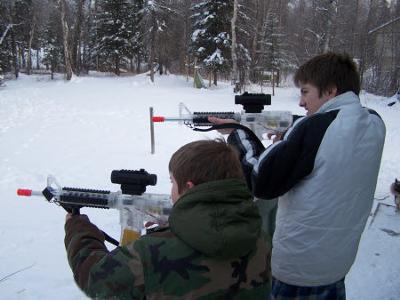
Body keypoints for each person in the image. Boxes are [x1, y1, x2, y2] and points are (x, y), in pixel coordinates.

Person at [210, 52, 386, 299]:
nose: (302, 103)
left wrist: (239, 131)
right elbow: (328, 148)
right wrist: (290, 134)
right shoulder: (374, 123)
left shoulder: (313, 128)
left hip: (299, 270)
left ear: (331, 90)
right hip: (337, 263)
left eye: (305, 92)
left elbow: (261, 182)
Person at [64, 139, 271, 299]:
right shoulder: (260, 236)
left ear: (188, 187)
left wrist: (77, 226)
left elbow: (95, 280)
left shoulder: (149, 253)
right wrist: (180, 225)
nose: (171, 190)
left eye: (172, 181)